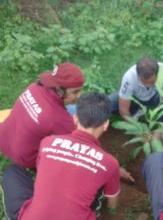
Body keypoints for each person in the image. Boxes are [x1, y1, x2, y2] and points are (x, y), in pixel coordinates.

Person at [1, 92, 121, 220]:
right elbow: (112, 203)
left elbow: (43, 174)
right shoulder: (109, 163)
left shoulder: (47, 142)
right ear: (105, 124)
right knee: (98, 185)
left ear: (75, 118)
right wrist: (112, 211)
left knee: (12, 172)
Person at [0, 62, 84, 168]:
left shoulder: (33, 87)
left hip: (3, 138)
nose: (79, 96)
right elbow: (78, 144)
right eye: (75, 92)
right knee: (74, 111)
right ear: (59, 89)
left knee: (70, 110)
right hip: (25, 159)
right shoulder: (58, 118)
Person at [109, 58, 163, 142]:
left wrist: (158, 133)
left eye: (152, 82)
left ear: (157, 73)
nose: (148, 85)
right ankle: (138, 111)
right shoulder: (130, 77)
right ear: (138, 75)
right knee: (106, 103)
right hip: (136, 97)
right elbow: (123, 109)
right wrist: (138, 131)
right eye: (145, 82)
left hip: (157, 98)